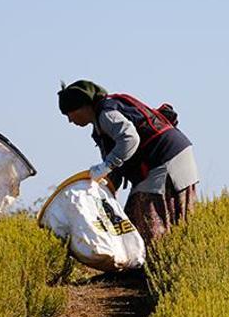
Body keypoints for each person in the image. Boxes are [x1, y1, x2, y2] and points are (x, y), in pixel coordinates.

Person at [57, 80, 199, 245]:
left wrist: (106, 166)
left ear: (82, 106)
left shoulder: (106, 115)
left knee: (142, 229)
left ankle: (155, 260)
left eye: (69, 113)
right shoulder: (105, 117)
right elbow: (118, 164)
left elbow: (129, 138)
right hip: (177, 159)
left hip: (163, 162)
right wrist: (106, 190)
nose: (70, 120)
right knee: (172, 226)